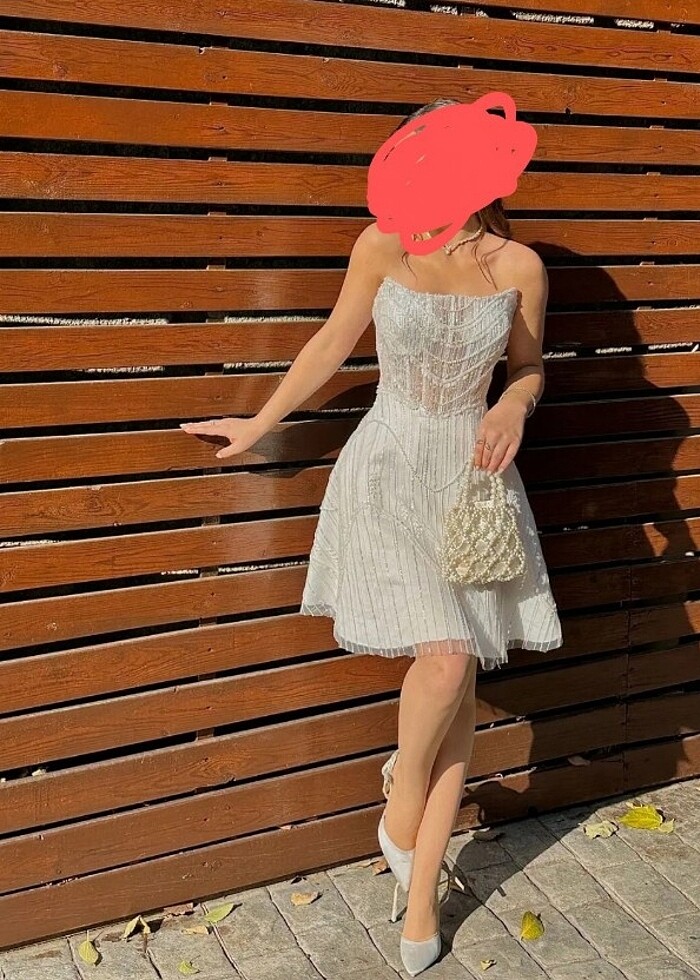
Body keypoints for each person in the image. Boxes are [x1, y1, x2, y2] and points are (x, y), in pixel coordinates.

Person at [181, 99, 563, 976]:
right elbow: (330, 344)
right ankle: (400, 805)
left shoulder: (519, 265)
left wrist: (513, 403)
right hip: (389, 469)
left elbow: (529, 367)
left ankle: (420, 892)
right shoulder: (382, 245)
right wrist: (258, 425)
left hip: (473, 482)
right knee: (448, 663)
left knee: (459, 675)